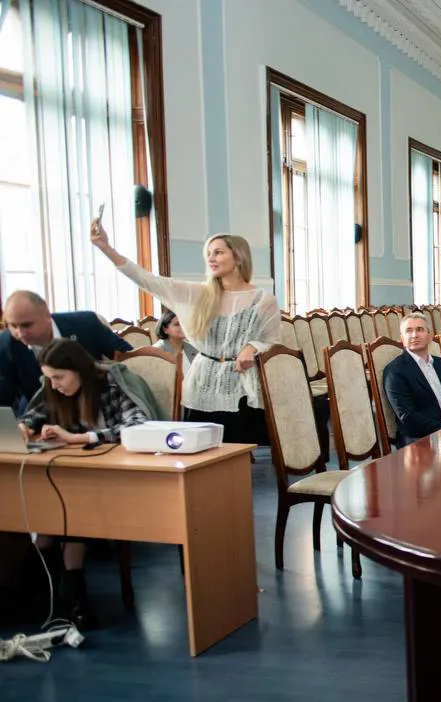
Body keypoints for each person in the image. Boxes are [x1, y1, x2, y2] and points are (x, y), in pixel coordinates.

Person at [90, 222, 280, 444]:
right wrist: (107, 248)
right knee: (199, 450)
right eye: (209, 254)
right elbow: (148, 280)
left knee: (239, 452)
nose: (211, 258)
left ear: (238, 257)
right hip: (201, 385)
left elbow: (272, 340)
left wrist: (251, 347)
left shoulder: (263, 300)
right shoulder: (198, 293)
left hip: (240, 388)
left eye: (218, 252)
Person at [19, 339, 148, 628]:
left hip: (116, 479)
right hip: (73, 479)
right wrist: (24, 427)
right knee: (49, 517)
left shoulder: (110, 384)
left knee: (68, 516)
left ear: (79, 370)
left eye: (59, 377)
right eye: (49, 379)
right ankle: (59, 598)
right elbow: (33, 415)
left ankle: (75, 600)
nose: (54, 385)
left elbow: (137, 425)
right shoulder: (55, 389)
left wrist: (81, 438)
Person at [1, 290, 131, 414]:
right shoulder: (5, 344)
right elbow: (3, 400)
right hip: (41, 415)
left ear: (46, 313)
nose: (20, 333)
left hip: (97, 409)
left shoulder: (85, 324)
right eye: (13, 326)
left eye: (27, 325)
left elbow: (130, 357)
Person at [382, 312, 441, 445]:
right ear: (402, 338)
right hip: (420, 438)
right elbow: (408, 416)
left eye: (420, 329)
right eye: (408, 331)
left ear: (430, 336)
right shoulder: (394, 371)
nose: (414, 335)